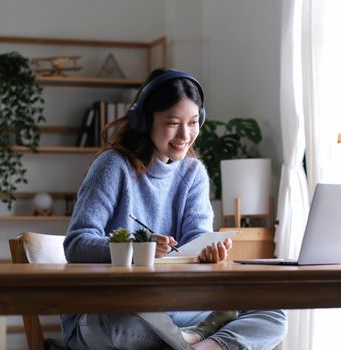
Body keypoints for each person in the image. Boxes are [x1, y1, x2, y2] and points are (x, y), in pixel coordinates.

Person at [62, 68, 287, 350]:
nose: (185, 134)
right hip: (110, 310)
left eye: (193, 122)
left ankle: (198, 344)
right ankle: (197, 340)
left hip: (175, 307)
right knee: (123, 322)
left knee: (272, 314)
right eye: (172, 123)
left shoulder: (193, 173)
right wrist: (138, 248)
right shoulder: (113, 165)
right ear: (143, 121)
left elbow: (196, 241)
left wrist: (208, 253)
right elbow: (76, 244)